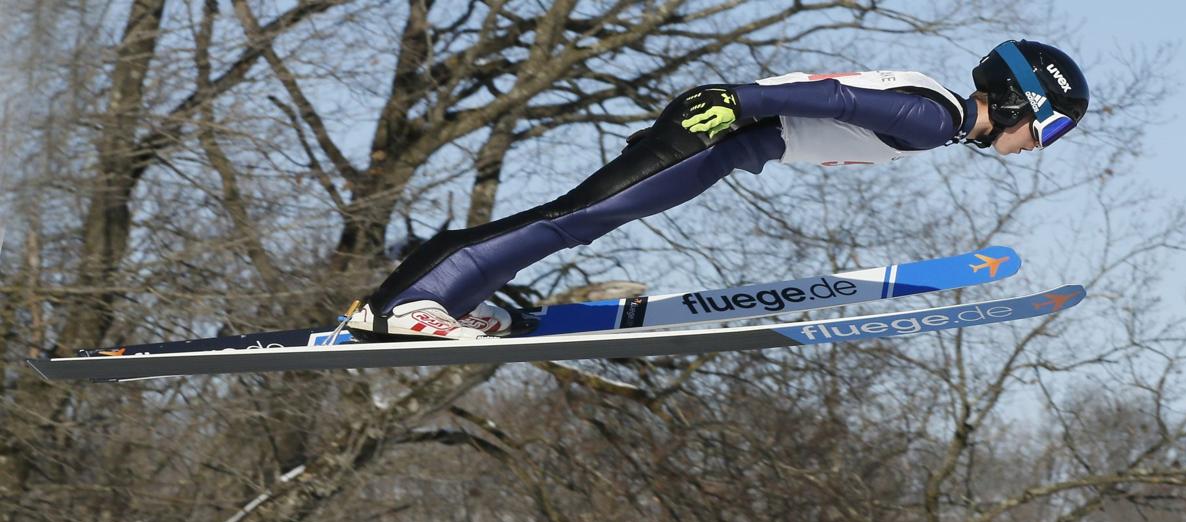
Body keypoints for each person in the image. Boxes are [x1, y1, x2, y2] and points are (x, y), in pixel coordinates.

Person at [343, 40, 1090, 339]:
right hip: (721, 131)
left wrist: (740, 104)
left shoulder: (936, 110)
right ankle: (402, 305)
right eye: (1045, 131)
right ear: (1019, 102)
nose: (1034, 148)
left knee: (575, 221)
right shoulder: (934, 117)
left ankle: (430, 300)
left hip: (728, 141)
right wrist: (734, 98)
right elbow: (834, 100)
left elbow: (829, 100)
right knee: (573, 218)